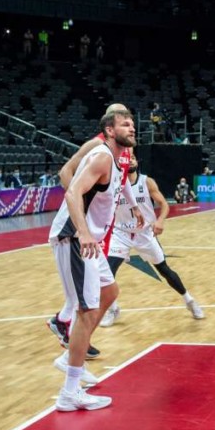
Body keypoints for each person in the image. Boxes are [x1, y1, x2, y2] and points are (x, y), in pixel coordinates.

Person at [48, 109, 136, 411]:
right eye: (126, 124)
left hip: (89, 240)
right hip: (74, 239)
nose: (132, 127)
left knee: (110, 293)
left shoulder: (116, 160)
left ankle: (70, 354)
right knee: (87, 310)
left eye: (133, 123)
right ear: (110, 131)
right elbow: (72, 192)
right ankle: (69, 393)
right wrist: (83, 232)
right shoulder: (99, 155)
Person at [99, 160, 204, 328]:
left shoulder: (146, 181)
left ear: (136, 161)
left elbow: (164, 204)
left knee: (164, 270)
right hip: (121, 233)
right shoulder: (114, 182)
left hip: (145, 233)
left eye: (133, 157)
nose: (130, 160)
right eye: (126, 158)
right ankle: (113, 309)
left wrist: (161, 220)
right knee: (106, 273)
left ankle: (189, 300)